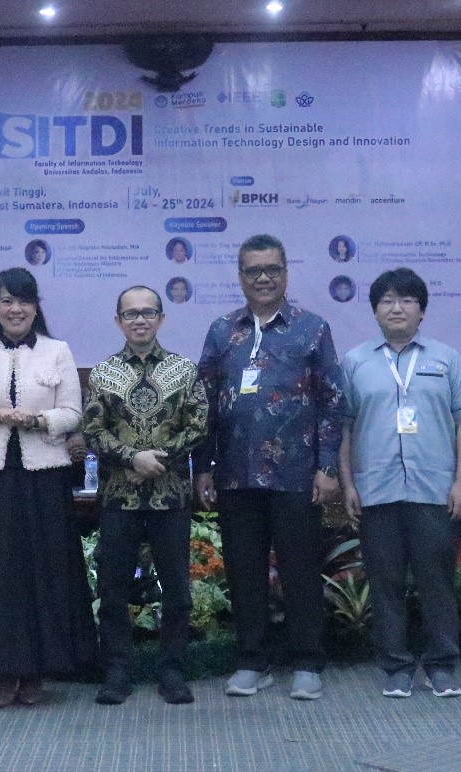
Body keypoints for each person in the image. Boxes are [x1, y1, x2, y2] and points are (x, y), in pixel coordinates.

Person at [195, 234, 346, 701]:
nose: (263, 278)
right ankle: (252, 662)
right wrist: (203, 467)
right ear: (240, 276)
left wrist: (327, 467)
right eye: (253, 270)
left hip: (296, 475)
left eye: (271, 269)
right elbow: (204, 404)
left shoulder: (312, 329)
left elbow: (332, 401)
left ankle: (307, 662)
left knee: (300, 570)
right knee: (244, 572)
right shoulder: (222, 331)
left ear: (285, 273)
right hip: (235, 475)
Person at [0, 267, 97, 707]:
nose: (16, 309)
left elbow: (73, 413)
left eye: (24, 301)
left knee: (43, 573)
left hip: (43, 479)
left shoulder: (57, 351)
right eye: (7, 301)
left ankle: (36, 671)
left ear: (36, 307)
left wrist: (39, 421)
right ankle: (3, 669)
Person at [338, 267, 461, 699]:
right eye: (386, 300)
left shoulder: (446, 359)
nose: (396, 308)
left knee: (437, 582)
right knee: (385, 585)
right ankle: (397, 666)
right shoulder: (355, 362)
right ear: (375, 311)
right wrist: (347, 484)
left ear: (422, 310)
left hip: (434, 492)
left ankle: (441, 665)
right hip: (376, 492)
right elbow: (343, 427)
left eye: (406, 300)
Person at [83, 286, 208, 706]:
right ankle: (117, 671)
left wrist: (155, 460)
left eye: (148, 312)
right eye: (131, 314)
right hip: (119, 498)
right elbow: (93, 431)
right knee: (113, 589)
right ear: (118, 321)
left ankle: (173, 670)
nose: (140, 320)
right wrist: (130, 458)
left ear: (161, 319)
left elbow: (198, 426)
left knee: (176, 590)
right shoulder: (103, 373)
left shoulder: (183, 370)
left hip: (170, 498)